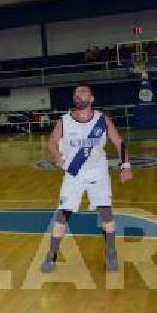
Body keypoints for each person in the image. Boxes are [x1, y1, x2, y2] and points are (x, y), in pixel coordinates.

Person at [40, 84, 133, 274]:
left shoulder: (102, 120)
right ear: (75, 99)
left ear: (91, 98)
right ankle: (51, 255)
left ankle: (111, 252)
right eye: (76, 93)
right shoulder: (64, 121)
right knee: (61, 216)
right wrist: (57, 156)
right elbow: (51, 142)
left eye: (83, 92)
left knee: (106, 214)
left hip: (97, 172)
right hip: (73, 173)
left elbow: (119, 142)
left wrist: (126, 165)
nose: (79, 95)